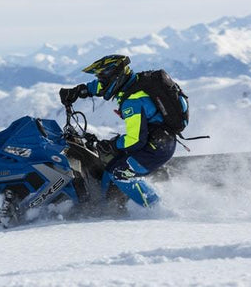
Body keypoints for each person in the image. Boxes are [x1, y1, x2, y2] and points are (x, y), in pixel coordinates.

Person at [59, 55, 176, 209]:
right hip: (155, 140)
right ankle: (114, 208)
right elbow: (103, 86)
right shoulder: (133, 84)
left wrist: (113, 145)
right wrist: (80, 90)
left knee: (120, 173)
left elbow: (135, 140)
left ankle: (156, 210)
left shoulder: (132, 101)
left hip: (156, 148)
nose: (100, 81)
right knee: (109, 169)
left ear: (115, 76)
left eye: (102, 77)